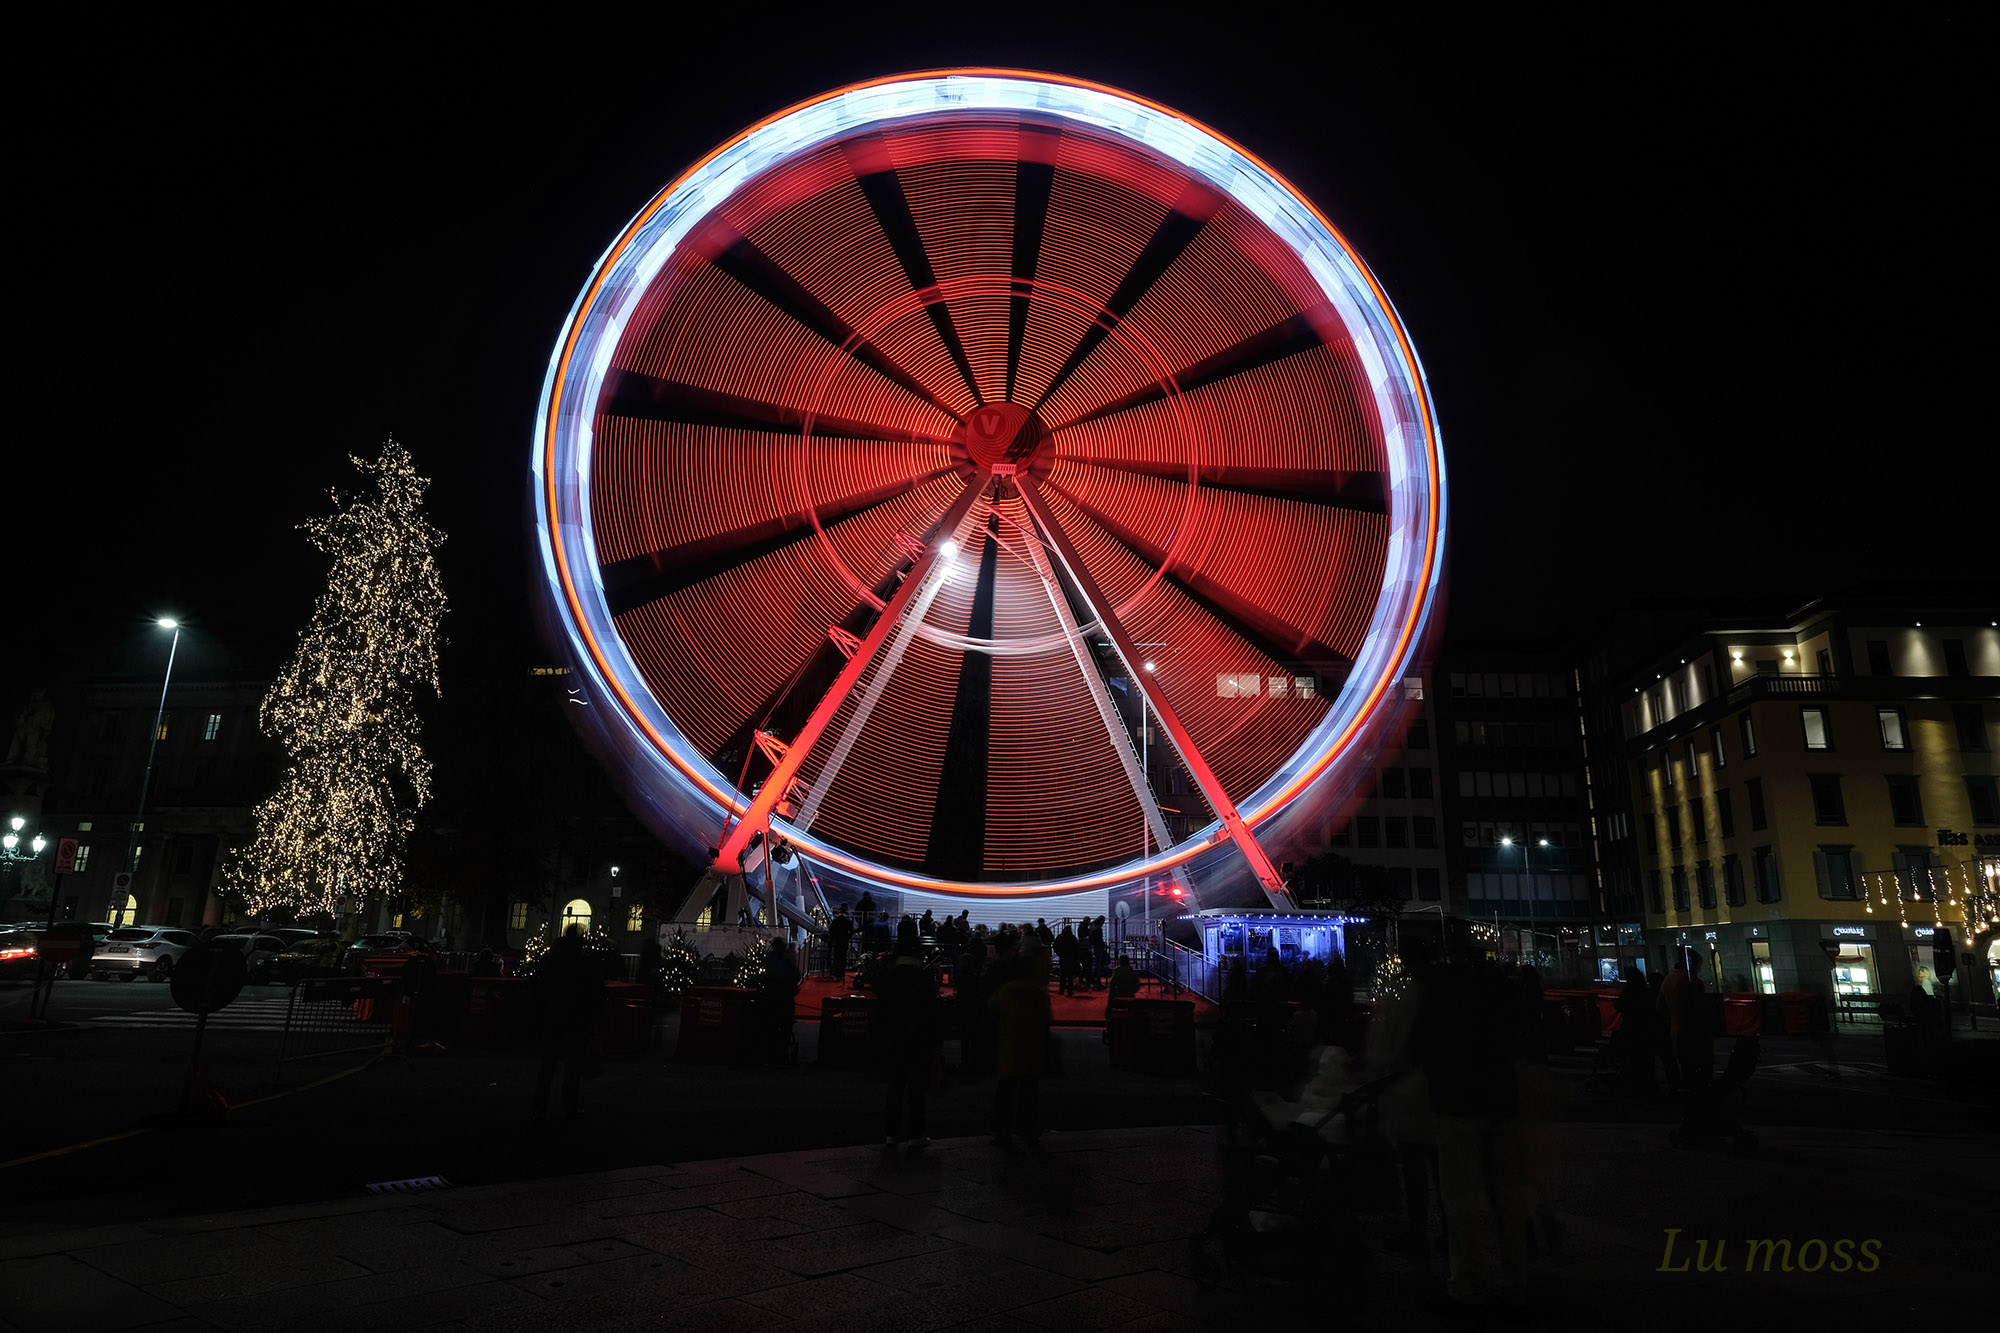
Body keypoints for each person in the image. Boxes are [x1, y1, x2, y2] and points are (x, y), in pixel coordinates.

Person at [1414, 957, 1528, 1316]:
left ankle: (1467, 1284)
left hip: (1457, 1108)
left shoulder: (1442, 1005)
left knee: (1461, 1202)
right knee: (1507, 1200)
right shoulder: (1499, 1004)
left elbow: (1424, 1050)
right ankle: (1517, 1283)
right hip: (1502, 1105)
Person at [875, 920, 940, 1147]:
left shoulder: (890, 976)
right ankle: (916, 1134)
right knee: (916, 1089)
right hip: (918, 1040)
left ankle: (891, 1133)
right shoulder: (922, 979)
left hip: (894, 1038)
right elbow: (931, 1013)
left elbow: (881, 1009)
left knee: (895, 1087)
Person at [533, 925, 605, 1121]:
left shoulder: (551, 960)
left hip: (553, 1019)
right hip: (576, 1022)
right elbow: (594, 994)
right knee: (572, 1069)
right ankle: (569, 1107)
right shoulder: (585, 963)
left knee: (547, 1066)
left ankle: (540, 1106)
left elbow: (540, 989)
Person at [988, 930, 1051, 1148]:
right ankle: (1029, 1130)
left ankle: (1001, 1131)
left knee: (1005, 1092)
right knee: (1029, 1094)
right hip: (1032, 1052)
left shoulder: (1007, 991)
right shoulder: (1038, 993)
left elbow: (994, 1013)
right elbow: (1046, 1018)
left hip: (1009, 1051)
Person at [1054, 922, 1081, 997]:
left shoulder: (1060, 937)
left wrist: (1058, 953)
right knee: (1070, 975)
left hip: (1062, 957)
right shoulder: (1073, 938)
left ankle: (1061, 990)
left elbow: (1055, 946)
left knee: (1063, 974)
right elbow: (1076, 948)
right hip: (1070, 958)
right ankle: (1070, 991)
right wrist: (1076, 957)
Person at [828, 906, 854, 983]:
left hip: (837, 941)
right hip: (844, 941)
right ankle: (842, 974)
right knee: (843, 957)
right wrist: (848, 937)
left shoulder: (835, 921)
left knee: (836, 957)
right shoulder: (848, 921)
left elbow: (831, 931)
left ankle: (835, 974)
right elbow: (851, 931)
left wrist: (832, 939)